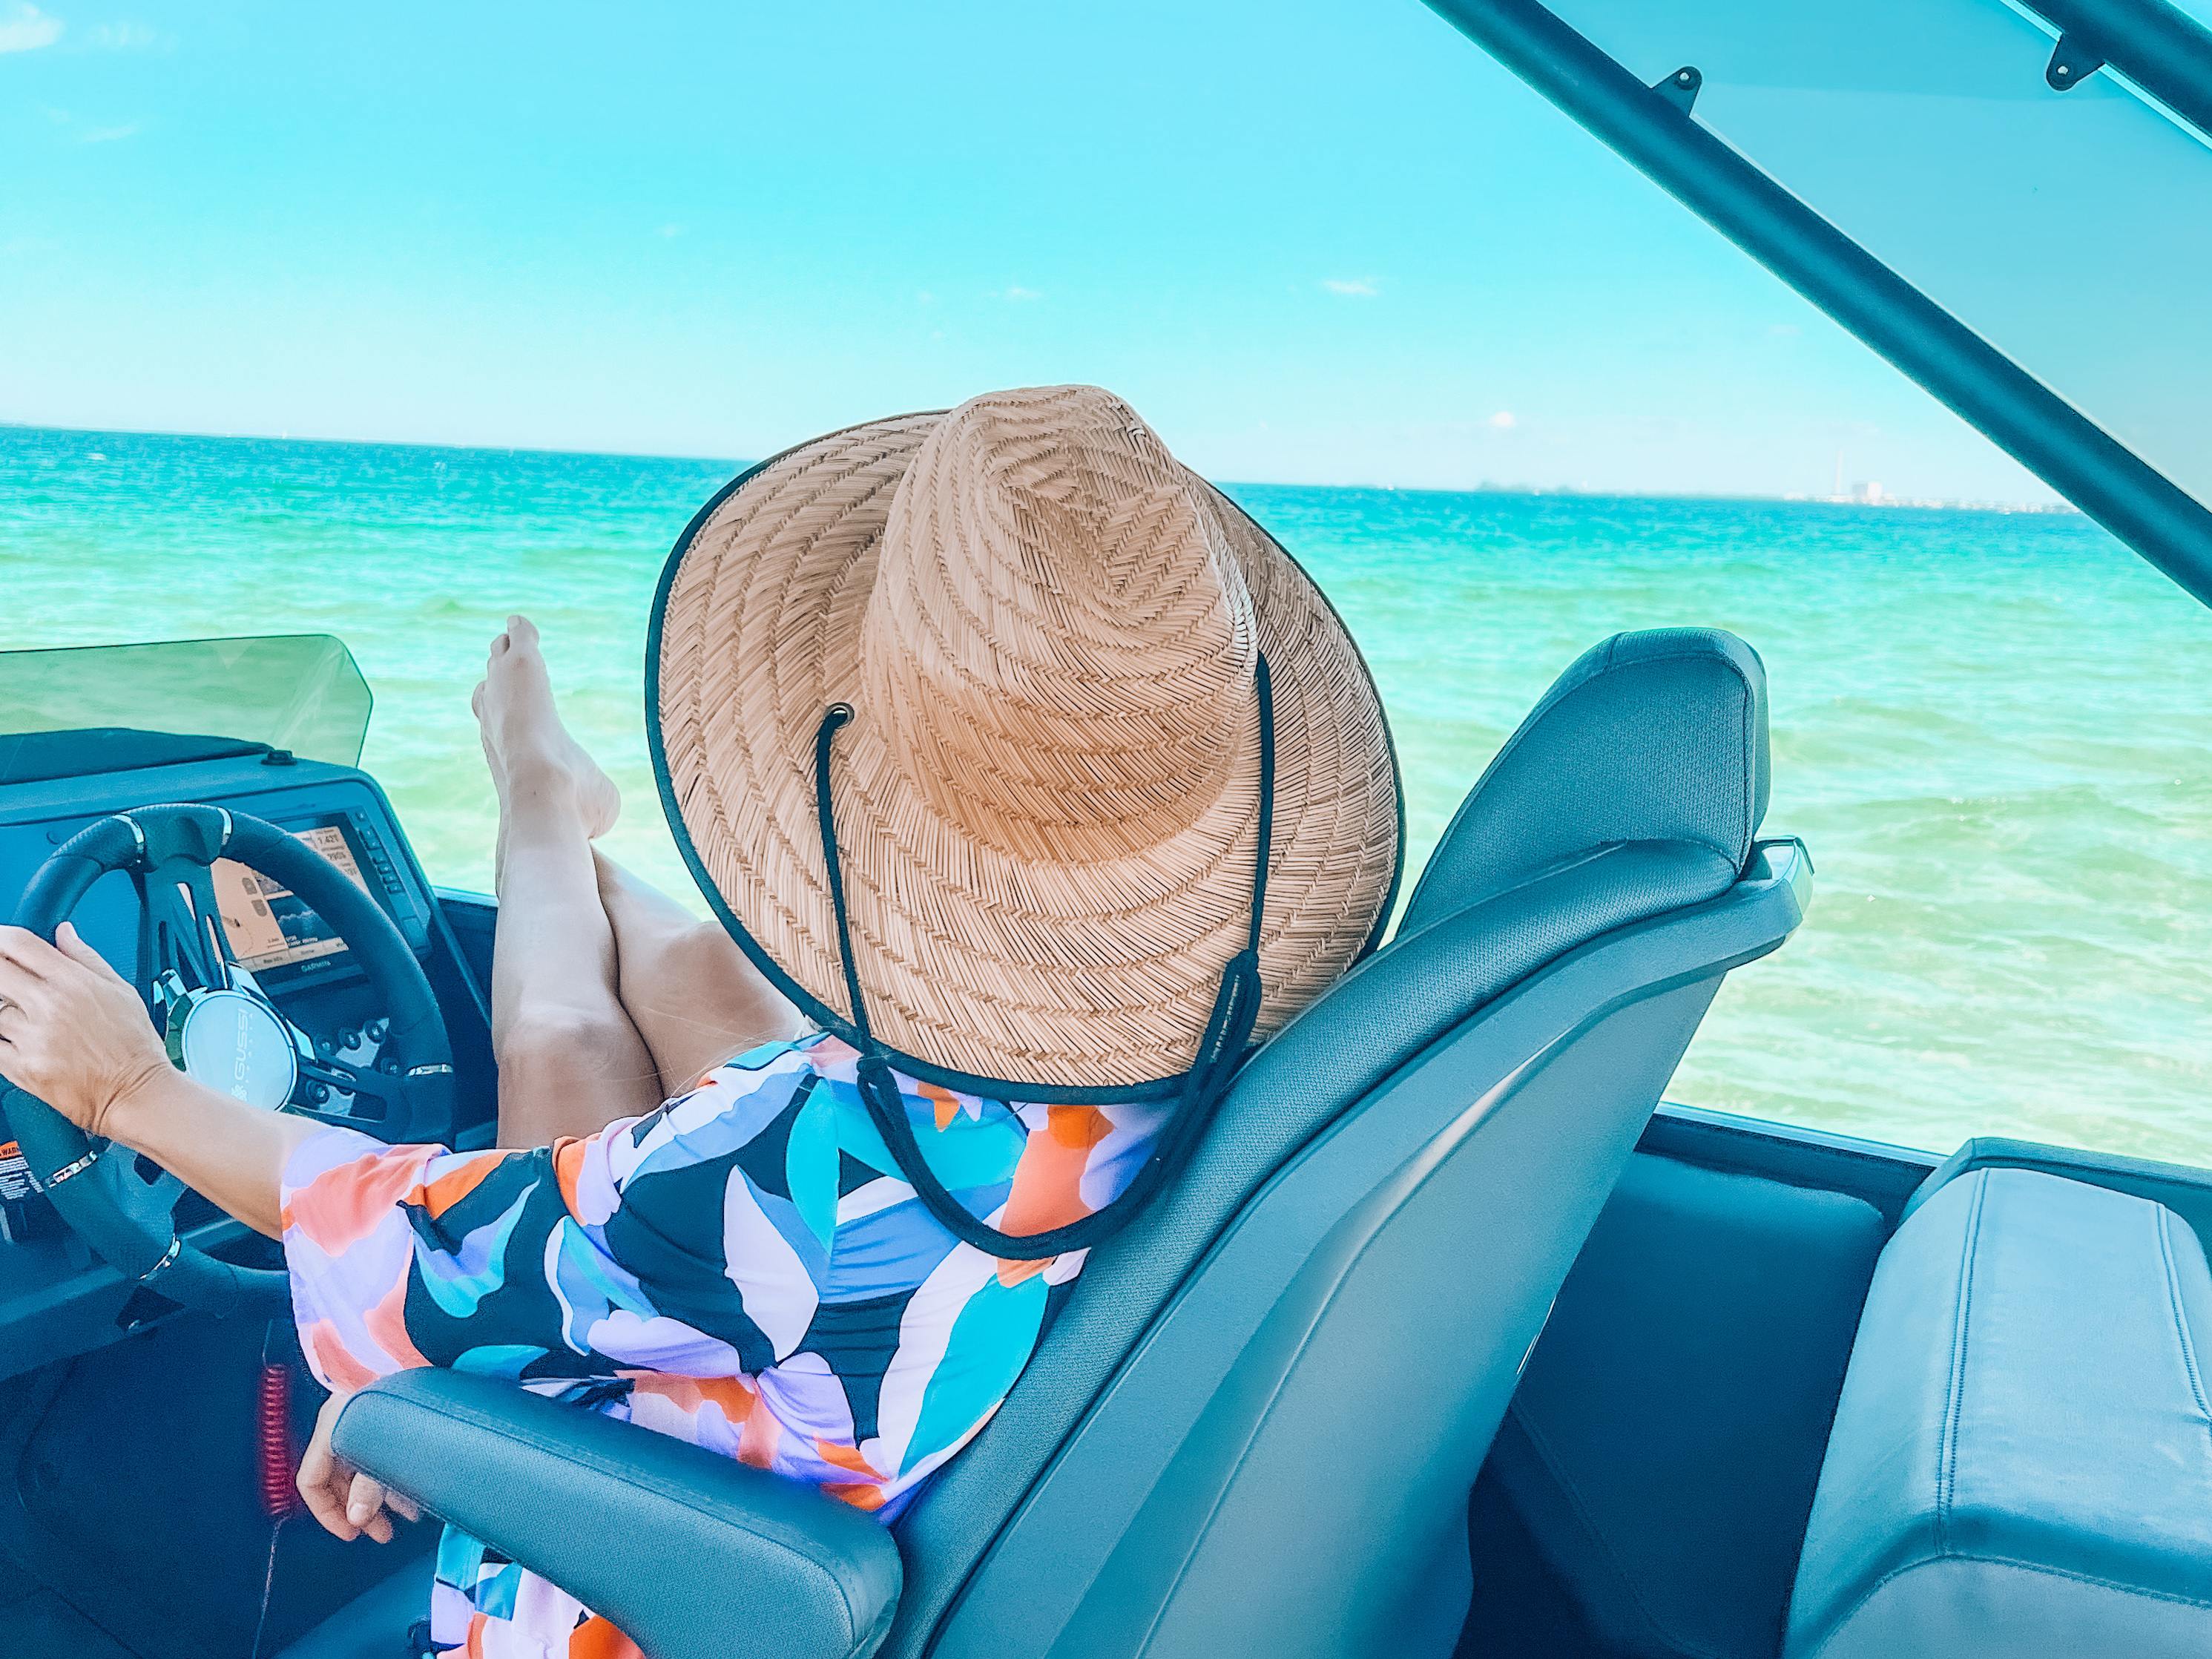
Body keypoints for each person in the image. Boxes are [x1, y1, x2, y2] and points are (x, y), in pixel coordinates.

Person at [0, 385, 1401, 1658]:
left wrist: (128, 1089)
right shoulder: (1189, 1046)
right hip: (848, 1401)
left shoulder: (782, 1163)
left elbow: (420, 1237)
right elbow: (744, 1129)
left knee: (560, 1051)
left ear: (843, 797)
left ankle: (543, 813)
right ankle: (554, 822)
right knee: (728, 1003)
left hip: (661, 1574)